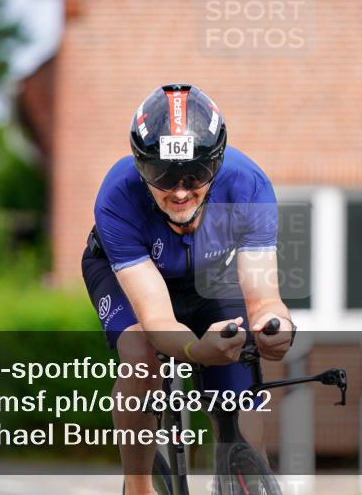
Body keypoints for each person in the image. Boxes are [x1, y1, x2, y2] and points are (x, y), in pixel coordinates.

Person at [82, 83, 294, 495]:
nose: (179, 190)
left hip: (206, 275)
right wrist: (196, 349)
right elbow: (158, 318)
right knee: (142, 354)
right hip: (126, 274)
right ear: (141, 168)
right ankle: (139, 484)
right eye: (162, 174)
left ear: (215, 165)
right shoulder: (117, 195)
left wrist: (275, 327)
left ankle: (244, 476)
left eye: (195, 174)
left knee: (238, 383)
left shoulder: (248, 187)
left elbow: (265, 299)